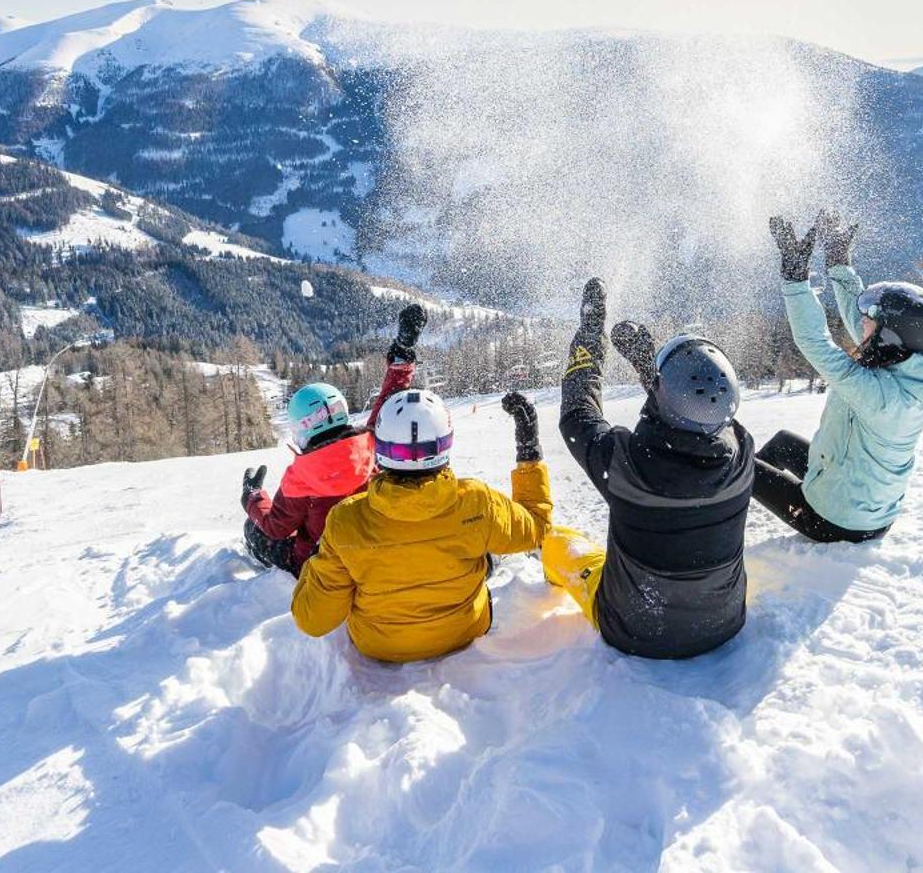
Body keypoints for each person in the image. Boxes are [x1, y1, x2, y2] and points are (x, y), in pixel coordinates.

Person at [540, 278, 755, 660]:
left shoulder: (625, 465)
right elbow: (689, 420)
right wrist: (648, 366)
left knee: (558, 544)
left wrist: (591, 333)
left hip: (634, 630)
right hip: (723, 623)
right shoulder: (741, 454)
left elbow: (578, 410)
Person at [290, 387, 551, 663]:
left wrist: (320, 560)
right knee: (482, 551)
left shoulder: (346, 520)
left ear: (380, 447)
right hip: (466, 632)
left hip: (378, 646)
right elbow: (537, 526)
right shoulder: (477, 503)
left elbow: (312, 620)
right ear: (445, 444)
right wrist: (528, 448)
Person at [758, 212, 923, 543]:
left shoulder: (881, 396)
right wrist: (838, 263)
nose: (863, 322)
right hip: (868, 505)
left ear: (890, 335)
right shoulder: (910, 361)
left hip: (835, 521)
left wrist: (794, 280)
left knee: (740, 467)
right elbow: (858, 317)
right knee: (781, 443)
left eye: (872, 320)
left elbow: (814, 342)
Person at [240, 304, 425, 575]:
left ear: (301, 428)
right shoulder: (369, 443)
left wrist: (252, 496)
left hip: (324, 562)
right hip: (373, 544)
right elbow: (387, 402)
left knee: (255, 531)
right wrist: (402, 356)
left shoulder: (300, 478)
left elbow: (275, 526)